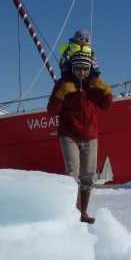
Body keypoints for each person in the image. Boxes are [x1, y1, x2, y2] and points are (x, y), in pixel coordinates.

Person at [47, 53, 112, 223]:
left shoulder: (93, 85)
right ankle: (72, 213)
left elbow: (106, 106)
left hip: (90, 136)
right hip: (69, 136)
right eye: (78, 68)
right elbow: (52, 110)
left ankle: (82, 212)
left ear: (90, 69)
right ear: (72, 68)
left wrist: (105, 91)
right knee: (72, 174)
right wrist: (61, 94)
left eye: (85, 68)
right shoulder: (63, 84)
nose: (81, 72)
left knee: (89, 176)